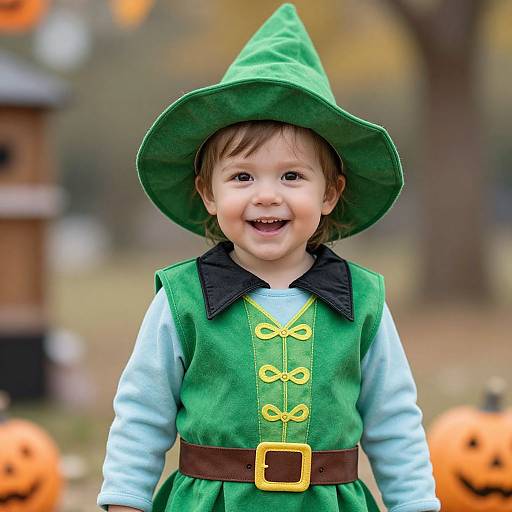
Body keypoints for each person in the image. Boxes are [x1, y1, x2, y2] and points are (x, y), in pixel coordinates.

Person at [97, 4, 440, 512]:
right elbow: (142, 412)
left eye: (292, 176)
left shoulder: (362, 302)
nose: (266, 195)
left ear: (330, 195)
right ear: (208, 194)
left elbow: (394, 420)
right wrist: (125, 500)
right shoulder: (183, 300)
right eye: (242, 177)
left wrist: (415, 504)